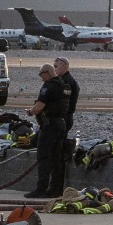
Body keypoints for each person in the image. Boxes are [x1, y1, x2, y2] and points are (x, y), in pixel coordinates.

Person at [24, 63, 68, 198]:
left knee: (43, 157)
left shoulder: (48, 86)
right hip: (61, 123)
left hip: (49, 125)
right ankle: (55, 189)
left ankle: (41, 189)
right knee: (56, 158)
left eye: (42, 76)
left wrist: (30, 111)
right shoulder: (64, 85)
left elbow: (39, 107)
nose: (41, 79)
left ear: (47, 73)